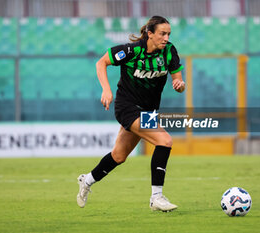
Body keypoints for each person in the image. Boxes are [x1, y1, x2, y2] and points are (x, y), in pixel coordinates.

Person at [76, 16, 185, 212]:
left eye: (168, 33)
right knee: (164, 141)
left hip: (149, 111)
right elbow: (101, 63)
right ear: (150, 34)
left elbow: (179, 82)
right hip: (128, 107)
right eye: (162, 33)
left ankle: (87, 180)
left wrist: (179, 85)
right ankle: (156, 197)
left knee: (119, 156)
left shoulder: (169, 51)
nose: (166, 38)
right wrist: (106, 90)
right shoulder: (131, 51)